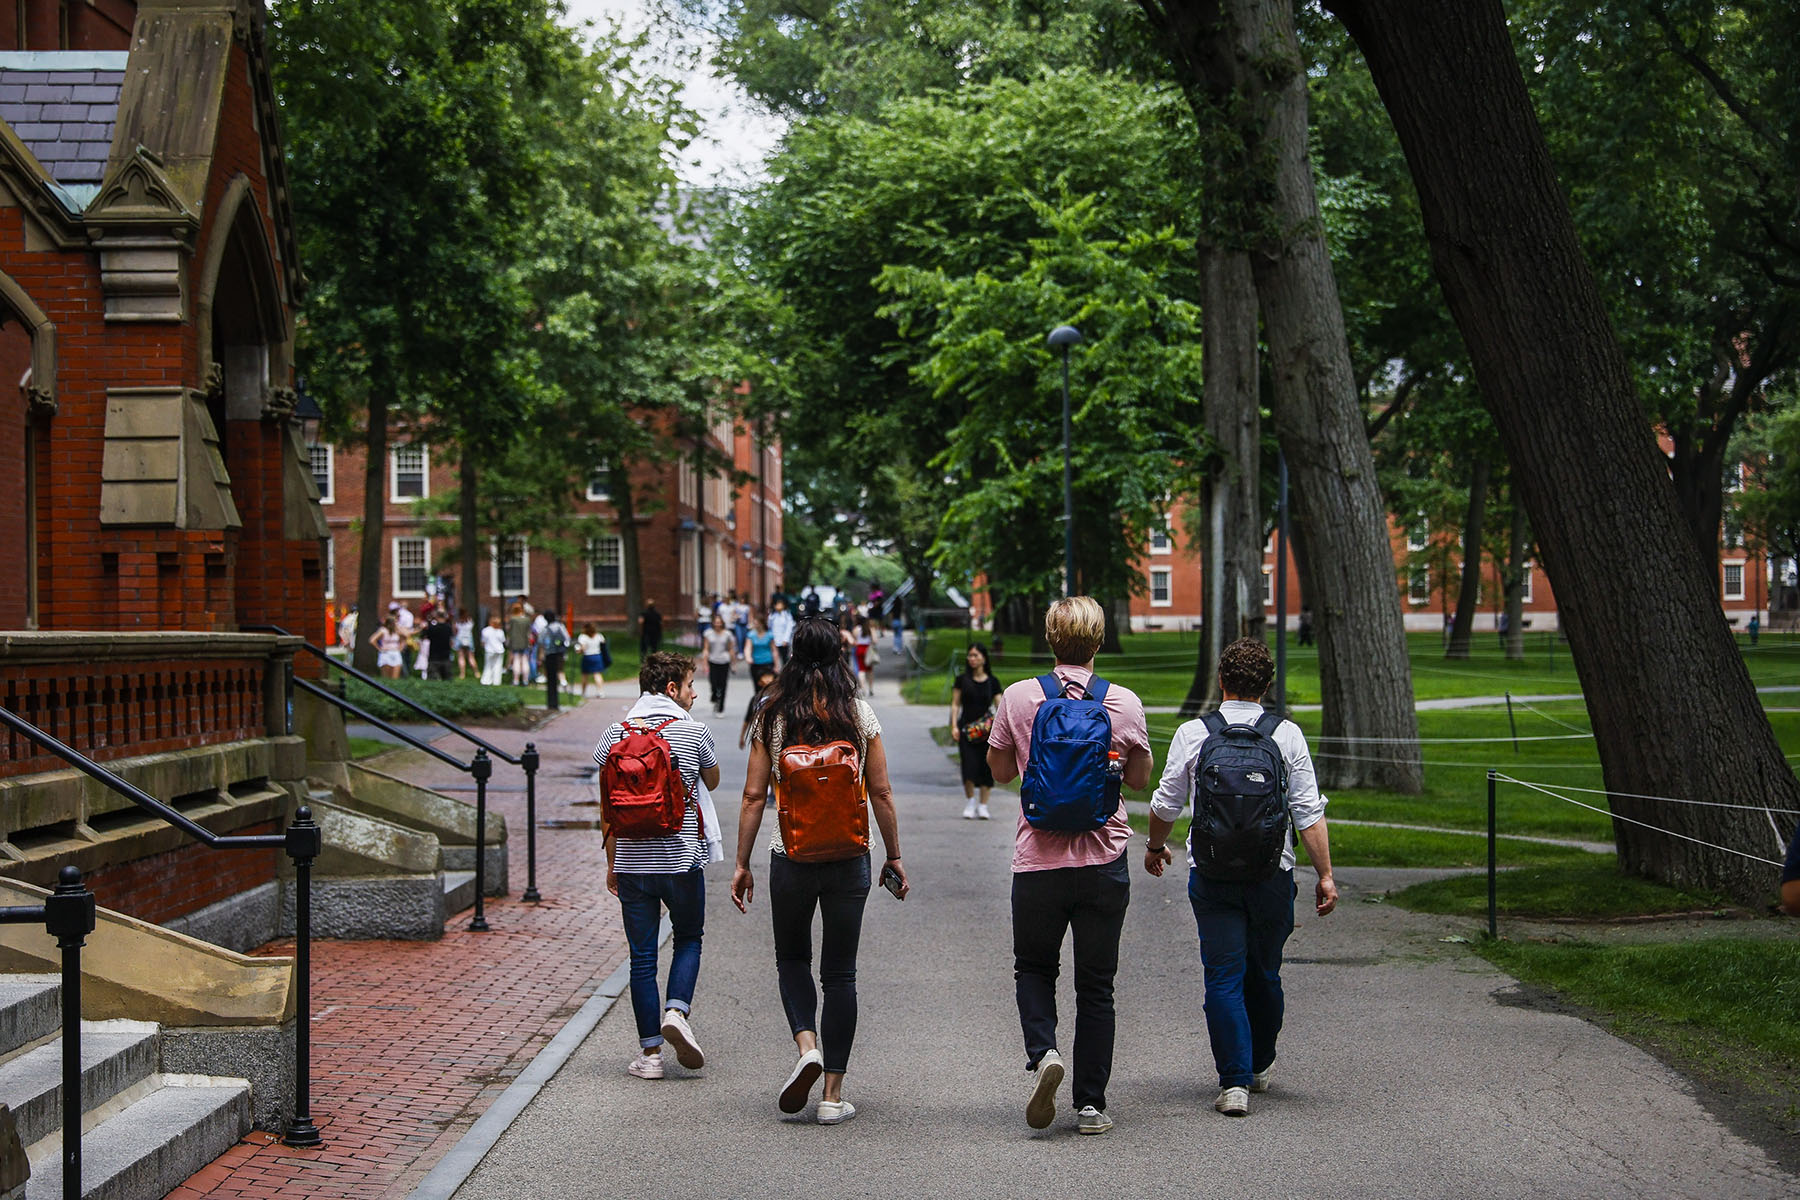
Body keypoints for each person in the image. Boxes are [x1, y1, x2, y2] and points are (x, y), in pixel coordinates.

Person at [1144, 636, 1336, 1119]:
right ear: (1267, 685)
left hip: (1211, 876)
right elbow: (1307, 812)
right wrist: (1326, 875)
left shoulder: (1194, 733)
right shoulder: (1286, 734)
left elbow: (1165, 802)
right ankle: (1260, 1062)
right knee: (1265, 972)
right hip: (1274, 874)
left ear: (1221, 681)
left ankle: (1233, 1083)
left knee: (1223, 974)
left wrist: (1153, 845)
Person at [731, 618, 909, 1125]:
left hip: (790, 855)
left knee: (791, 957)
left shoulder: (773, 716)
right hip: (850, 856)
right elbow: (881, 793)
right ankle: (832, 1095)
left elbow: (752, 796)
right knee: (840, 973)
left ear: (791, 654)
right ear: (839, 656)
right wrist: (893, 855)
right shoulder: (859, 714)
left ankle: (806, 1046)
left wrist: (742, 863)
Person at [986, 596, 1152, 1135]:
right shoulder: (1122, 703)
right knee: (1096, 985)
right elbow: (1138, 779)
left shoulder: (1018, 697)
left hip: (1037, 861)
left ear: (1051, 639)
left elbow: (1001, 772)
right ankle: (1089, 1105)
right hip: (1103, 861)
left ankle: (1045, 1051)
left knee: (1033, 967)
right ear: (1098, 642)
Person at [595, 652, 722, 1081]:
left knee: (642, 958)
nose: (694, 693)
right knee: (689, 937)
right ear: (672, 689)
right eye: (690, 685)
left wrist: (613, 862)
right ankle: (677, 1011)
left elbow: (606, 805)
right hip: (681, 859)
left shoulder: (613, 735)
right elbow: (714, 779)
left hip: (632, 863)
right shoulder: (692, 732)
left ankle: (649, 1055)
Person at [950, 644, 1002, 820]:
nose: (971, 658)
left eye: (975, 655)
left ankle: (983, 805)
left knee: (987, 768)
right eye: (970, 655)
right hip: (967, 730)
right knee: (969, 766)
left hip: (987, 732)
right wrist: (954, 726)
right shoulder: (962, 680)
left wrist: (1002, 728)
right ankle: (971, 801)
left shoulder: (992, 682)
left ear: (984, 658)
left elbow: (1000, 706)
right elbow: (955, 704)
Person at [702, 613, 735, 715]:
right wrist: (705, 663)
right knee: (714, 683)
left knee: (723, 685)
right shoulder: (708, 633)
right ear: (713, 623)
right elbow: (706, 649)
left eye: (719, 622)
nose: (717, 624)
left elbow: (730, 649)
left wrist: (733, 664)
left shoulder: (727, 634)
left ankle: (720, 708)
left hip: (724, 661)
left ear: (722, 623)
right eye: (716, 622)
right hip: (713, 660)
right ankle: (714, 696)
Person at [540, 610, 571, 711]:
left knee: (550, 679)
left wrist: (541, 655)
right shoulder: (560, 626)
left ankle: (551, 703)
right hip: (560, 654)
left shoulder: (545, 629)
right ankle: (562, 682)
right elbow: (567, 639)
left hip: (549, 655)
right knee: (560, 669)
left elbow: (541, 642)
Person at [577, 622, 610, 699]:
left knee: (585, 675)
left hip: (587, 656)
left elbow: (583, 648)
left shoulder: (583, 637)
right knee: (597, 674)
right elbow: (603, 644)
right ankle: (600, 691)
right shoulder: (599, 636)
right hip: (597, 656)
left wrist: (579, 651)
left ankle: (583, 692)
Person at [421, 611, 456, 681]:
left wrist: (425, 627)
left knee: (432, 680)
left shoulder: (432, 628)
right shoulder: (448, 628)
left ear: (437, 617)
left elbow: (424, 636)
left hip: (434, 657)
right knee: (447, 680)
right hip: (446, 656)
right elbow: (451, 641)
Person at [505, 602, 533, 686]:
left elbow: (509, 631)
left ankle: (516, 680)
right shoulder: (527, 619)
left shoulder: (513, 619)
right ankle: (525, 680)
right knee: (525, 661)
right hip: (525, 642)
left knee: (516, 660)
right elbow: (529, 632)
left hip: (515, 643)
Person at [745, 614, 776, 678]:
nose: (756, 625)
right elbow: (748, 648)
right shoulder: (751, 635)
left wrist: (776, 665)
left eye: (757, 624)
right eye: (755, 624)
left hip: (768, 662)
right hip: (756, 662)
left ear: (762, 624)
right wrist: (748, 657)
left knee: (767, 684)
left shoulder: (769, 635)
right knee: (757, 685)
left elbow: (774, 650)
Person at [479, 614, 507, 686]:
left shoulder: (485, 630)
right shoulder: (500, 631)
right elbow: (503, 640)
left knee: (488, 665)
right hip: (499, 650)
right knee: (498, 665)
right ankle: (496, 681)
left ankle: (486, 680)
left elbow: (483, 641)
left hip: (489, 650)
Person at [769, 597, 795, 669]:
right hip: (774, 639)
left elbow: (789, 628)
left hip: (783, 641)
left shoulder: (787, 615)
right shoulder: (772, 615)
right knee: (774, 657)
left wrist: (785, 639)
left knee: (784, 658)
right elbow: (770, 627)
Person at [853, 618, 874, 696]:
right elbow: (875, 640)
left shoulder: (856, 629)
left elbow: (854, 640)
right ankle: (871, 689)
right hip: (867, 649)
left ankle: (863, 688)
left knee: (861, 670)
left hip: (859, 649)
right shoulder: (870, 629)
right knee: (869, 670)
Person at [453, 609, 476, 679]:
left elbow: (455, 632)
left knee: (461, 657)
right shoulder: (469, 621)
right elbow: (471, 630)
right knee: (471, 657)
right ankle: (476, 672)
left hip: (459, 640)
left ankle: (462, 674)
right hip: (469, 640)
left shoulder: (457, 622)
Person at [530, 607, 549, 683]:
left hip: (541, 642)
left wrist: (537, 643)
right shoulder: (542, 619)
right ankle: (541, 675)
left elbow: (538, 633)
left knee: (540, 658)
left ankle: (538, 675)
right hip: (543, 641)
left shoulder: (538, 620)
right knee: (542, 659)